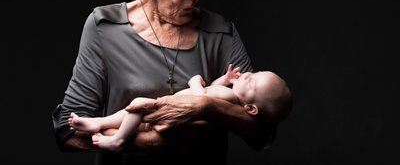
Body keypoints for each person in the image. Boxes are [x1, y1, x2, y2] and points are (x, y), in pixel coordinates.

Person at [52, 0, 292, 165]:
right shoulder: (106, 27)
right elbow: (67, 131)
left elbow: (261, 128)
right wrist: (150, 143)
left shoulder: (221, 34)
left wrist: (205, 107)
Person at [67, 65, 292, 152]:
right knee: (132, 111)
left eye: (252, 81)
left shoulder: (231, 100)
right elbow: (213, 91)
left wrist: (195, 82)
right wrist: (224, 79)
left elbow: (201, 100)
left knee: (137, 108)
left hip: (170, 117)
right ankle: (99, 122)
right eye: (256, 72)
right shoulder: (232, 94)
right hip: (167, 108)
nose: (249, 75)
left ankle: (119, 140)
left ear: (252, 109)